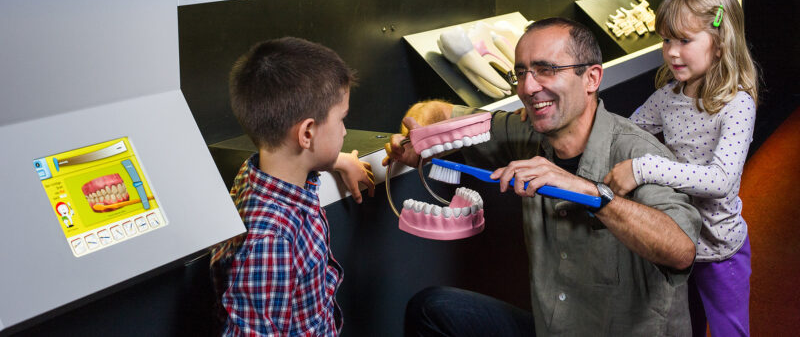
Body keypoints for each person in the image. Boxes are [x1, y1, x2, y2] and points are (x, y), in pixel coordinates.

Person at [388, 17, 702, 336]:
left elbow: (681, 250)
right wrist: (417, 135)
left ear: (591, 78)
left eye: (546, 70)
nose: (528, 87)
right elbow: (440, 113)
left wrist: (589, 191)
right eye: (521, 73)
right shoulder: (524, 131)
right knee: (433, 308)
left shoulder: (639, 154)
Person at [605, 0, 759, 337]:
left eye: (684, 40)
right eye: (666, 40)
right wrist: (577, 112)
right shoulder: (668, 96)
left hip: (720, 252)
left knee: (729, 332)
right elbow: (624, 132)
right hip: (676, 244)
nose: (671, 52)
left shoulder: (737, 105)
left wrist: (642, 169)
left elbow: (720, 180)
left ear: (720, 44)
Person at [209, 37, 375, 336]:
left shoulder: (256, 174)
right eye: (341, 119)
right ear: (307, 133)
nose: (345, 130)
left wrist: (338, 160)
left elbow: (292, 154)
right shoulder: (269, 242)